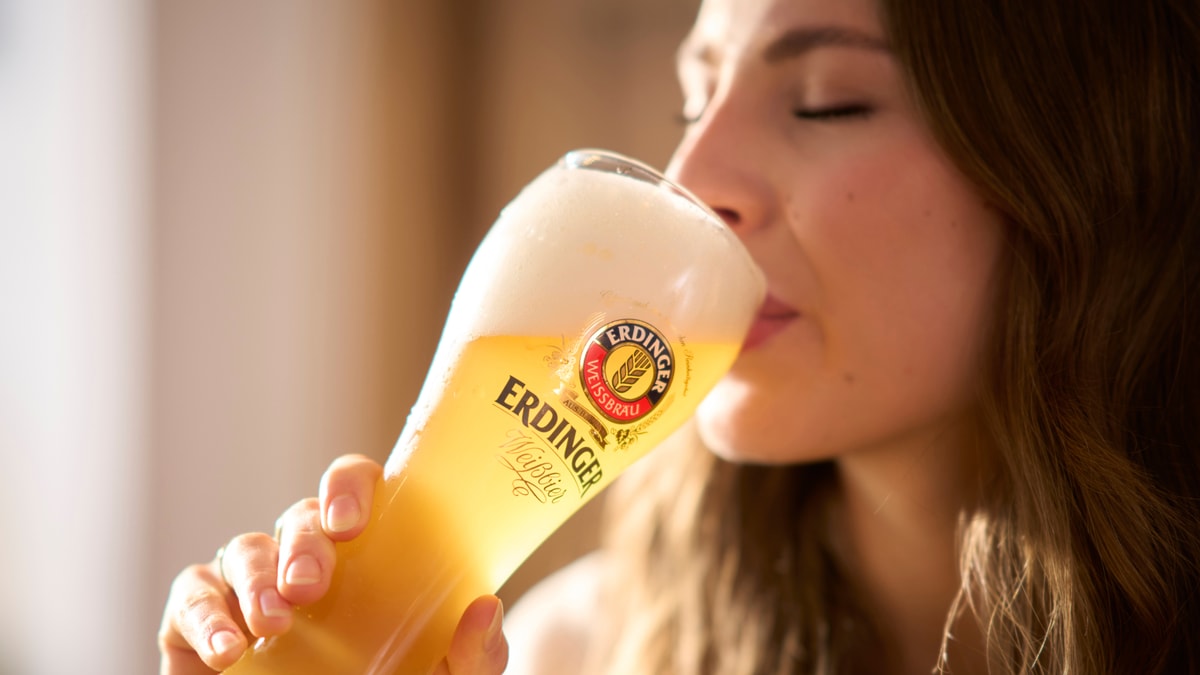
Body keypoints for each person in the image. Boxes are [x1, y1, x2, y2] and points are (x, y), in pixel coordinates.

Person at [158, 0, 1200, 672]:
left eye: (827, 104)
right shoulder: (582, 650)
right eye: (693, 102)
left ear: (1081, 165)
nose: (692, 181)